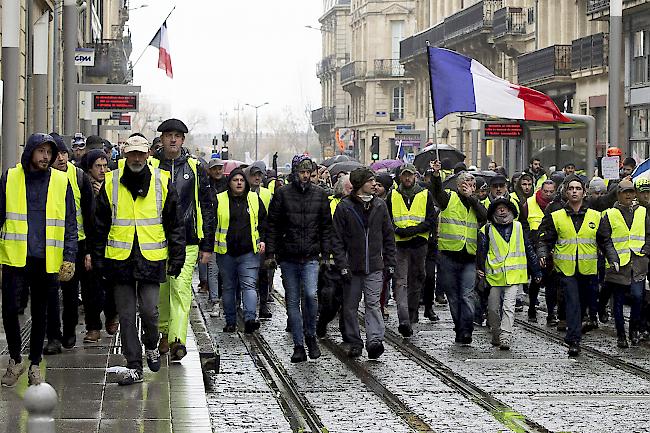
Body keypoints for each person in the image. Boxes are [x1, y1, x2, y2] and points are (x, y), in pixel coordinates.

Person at [92, 135, 185, 385]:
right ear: (125, 155)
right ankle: (134, 364)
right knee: (125, 315)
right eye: (131, 153)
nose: (136, 158)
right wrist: (99, 257)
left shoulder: (162, 182)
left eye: (140, 154)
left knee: (149, 311)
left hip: (151, 258)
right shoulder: (111, 182)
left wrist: (177, 256)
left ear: (147, 155)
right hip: (119, 259)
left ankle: (152, 344)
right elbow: (99, 225)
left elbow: (175, 224)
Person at [0, 133, 78, 387]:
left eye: (49, 152)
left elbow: (69, 223)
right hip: (15, 256)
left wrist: (69, 256)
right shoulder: (10, 178)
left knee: (41, 313)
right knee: (10, 310)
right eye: (41, 151)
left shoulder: (60, 180)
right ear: (30, 152)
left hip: (47, 258)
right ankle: (15, 359)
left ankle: (35, 363)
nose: (46, 157)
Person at [152, 118, 215, 362]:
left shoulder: (195, 167)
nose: (173, 139)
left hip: (188, 239)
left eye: (177, 135)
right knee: (161, 290)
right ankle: (164, 332)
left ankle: (178, 339)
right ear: (162, 139)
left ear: (183, 139)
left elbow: (206, 206)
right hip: (157, 238)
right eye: (169, 135)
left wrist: (206, 245)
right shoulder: (152, 165)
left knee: (180, 289)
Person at [266, 155, 332, 363]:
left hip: (311, 254)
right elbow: (273, 225)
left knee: (311, 295)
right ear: (295, 173)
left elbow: (326, 226)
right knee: (293, 301)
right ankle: (298, 344)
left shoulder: (320, 195)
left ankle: (310, 334)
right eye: (302, 172)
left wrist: (326, 254)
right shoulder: (282, 194)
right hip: (288, 256)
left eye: (308, 173)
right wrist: (271, 253)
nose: (305, 176)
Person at [332, 167, 396, 358]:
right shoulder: (344, 207)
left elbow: (388, 236)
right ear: (360, 184)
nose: (374, 184)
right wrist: (342, 265)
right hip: (352, 267)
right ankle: (355, 341)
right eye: (370, 181)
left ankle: (375, 340)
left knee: (373, 303)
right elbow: (337, 240)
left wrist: (390, 261)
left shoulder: (380, 206)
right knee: (350, 306)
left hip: (375, 265)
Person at [537, 175, 601, 356]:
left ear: (584, 192)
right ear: (565, 192)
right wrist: (542, 253)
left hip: (588, 269)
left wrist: (612, 258)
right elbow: (545, 238)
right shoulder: (556, 215)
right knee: (572, 301)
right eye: (571, 188)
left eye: (578, 188)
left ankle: (575, 331)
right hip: (566, 269)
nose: (574, 191)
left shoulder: (595, 216)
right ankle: (574, 340)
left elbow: (604, 240)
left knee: (583, 303)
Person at [44, 134, 96, 354]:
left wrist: (90, 250)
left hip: (76, 243)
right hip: (48, 244)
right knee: (49, 293)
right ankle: (53, 336)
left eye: (64, 153)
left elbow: (90, 214)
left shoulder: (80, 177)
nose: (62, 158)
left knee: (71, 291)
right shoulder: (42, 177)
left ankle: (69, 332)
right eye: (58, 154)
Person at [430, 162, 487, 344]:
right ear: (457, 185)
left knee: (467, 294)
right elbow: (437, 192)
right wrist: (436, 175)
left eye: (471, 184)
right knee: (453, 296)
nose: (468, 186)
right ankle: (459, 327)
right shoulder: (449, 198)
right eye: (464, 183)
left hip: (469, 257)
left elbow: (484, 217)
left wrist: (472, 198)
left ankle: (467, 329)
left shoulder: (476, 203)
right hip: (448, 255)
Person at [477, 198, 541, 350]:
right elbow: (481, 252)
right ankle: (496, 332)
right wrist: (479, 269)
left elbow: (528, 249)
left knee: (508, 307)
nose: (502, 211)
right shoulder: (487, 229)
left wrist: (536, 270)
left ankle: (505, 336)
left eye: (505, 208)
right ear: (493, 212)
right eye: (498, 208)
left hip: (514, 276)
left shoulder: (518, 227)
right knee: (492, 308)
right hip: (494, 276)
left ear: (511, 211)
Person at [597, 180, 650, 347]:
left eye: (631, 192)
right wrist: (612, 258)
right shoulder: (609, 214)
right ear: (618, 194)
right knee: (618, 301)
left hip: (638, 262)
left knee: (637, 297)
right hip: (618, 264)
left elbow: (648, 234)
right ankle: (621, 335)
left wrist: (646, 250)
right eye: (625, 192)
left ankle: (634, 330)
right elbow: (604, 240)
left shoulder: (642, 212)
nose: (629, 195)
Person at [386, 163, 436, 336]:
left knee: (417, 279)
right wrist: (398, 230)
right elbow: (387, 219)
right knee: (400, 281)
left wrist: (416, 230)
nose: (407, 178)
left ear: (415, 176)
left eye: (410, 175)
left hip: (419, 244)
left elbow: (431, 219)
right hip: (399, 245)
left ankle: (412, 312)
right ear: (400, 177)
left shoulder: (425, 194)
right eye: (404, 175)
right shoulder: (392, 195)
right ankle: (404, 319)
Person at [215, 167, 266, 333]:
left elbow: (264, 221)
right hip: (226, 252)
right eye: (235, 180)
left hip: (248, 252)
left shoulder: (253, 199)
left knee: (249, 285)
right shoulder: (219, 199)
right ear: (229, 183)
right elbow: (211, 223)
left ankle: (250, 318)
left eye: (242, 180)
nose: (238, 183)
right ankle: (230, 321)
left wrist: (263, 240)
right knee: (229, 287)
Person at [81, 149, 119, 336]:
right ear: (90, 169)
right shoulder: (84, 185)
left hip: (112, 243)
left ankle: (111, 316)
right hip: (91, 242)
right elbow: (85, 219)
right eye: (98, 166)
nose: (103, 170)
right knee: (91, 289)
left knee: (112, 287)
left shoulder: (114, 185)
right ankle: (93, 326)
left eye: (105, 166)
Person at [526, 180, 557, 324]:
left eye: (552, 192)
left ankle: (551, 313)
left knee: (551, 282)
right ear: (540, 190)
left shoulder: (557, 206)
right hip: (533, 247)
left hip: (550, 246)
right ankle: (532, 307)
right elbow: (523, 223)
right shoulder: (529, 203)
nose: (549, 194)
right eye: (546, 191)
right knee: (536, 280)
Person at [246, 161, 273, 318]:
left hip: (263, 238)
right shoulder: (243, 191)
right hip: (246, 240)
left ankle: (263, 304)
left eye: (259, 175)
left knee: (263, 274)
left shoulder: (266, 194)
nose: (257, 178)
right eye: (254, 175)